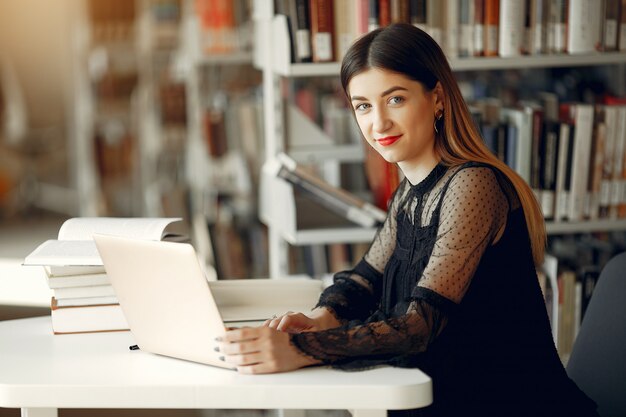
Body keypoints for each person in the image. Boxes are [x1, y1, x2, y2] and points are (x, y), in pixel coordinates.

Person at [215, 23, 599, 416]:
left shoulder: (473, 184)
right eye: (363, 105)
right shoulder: (411, 192)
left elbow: (419, 326)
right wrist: (319, 318)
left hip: (507, 404)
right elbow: (365, 279)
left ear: (437, 98)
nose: (378, 123)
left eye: (394, 99)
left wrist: (302, 349)